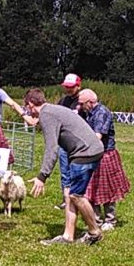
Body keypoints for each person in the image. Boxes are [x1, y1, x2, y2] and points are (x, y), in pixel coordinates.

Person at [23, 88, 105, 245]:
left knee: (76, 195)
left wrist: (42, 176)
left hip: (86, 153)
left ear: (31, 104)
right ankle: (68, 236)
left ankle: (94, 232)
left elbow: (51, 148)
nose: (28, 110)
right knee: (69, 193)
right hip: (86, 150)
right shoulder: (52, 110)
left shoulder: (46, 114)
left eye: (27, 107)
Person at [78, 89, 130, 230]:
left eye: (82, 103)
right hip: (91, 154)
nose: (79, 106)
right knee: (91, 188)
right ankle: (95, 220)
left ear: (90, 102)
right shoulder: (86, 112)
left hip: (105, 154)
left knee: (108, 188)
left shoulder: (102, 112)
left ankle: (110, 220)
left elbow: (97, 137)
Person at [53, 73, 83, 210]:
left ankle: (80, 198)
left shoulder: (83, 101)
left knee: (79, 172)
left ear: (78, 86)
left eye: (71, 87)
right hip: (64, 143)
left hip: (79, 143)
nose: (68, 89)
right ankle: (66, 199)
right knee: (65, 172)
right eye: (66, 87)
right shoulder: (63, 101)